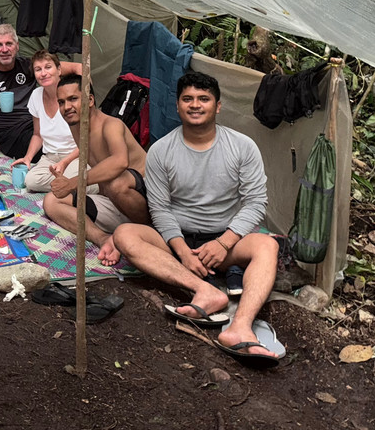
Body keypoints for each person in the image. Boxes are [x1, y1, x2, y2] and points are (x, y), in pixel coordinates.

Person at [112, 71, 284, 363]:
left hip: (226, 241)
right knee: (124, 234)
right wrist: (182, 251)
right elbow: (160, 208)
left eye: (203, 99)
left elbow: (256, 202)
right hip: (178, 240)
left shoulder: (242, 146)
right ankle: (204, 291)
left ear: (218, 106)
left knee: (267, 245)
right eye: (187, 98)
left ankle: (240, 327)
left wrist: (224, 243)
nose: (195, 105)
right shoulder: (161, 151)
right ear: (178, 105)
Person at [43, 74, 151, 265]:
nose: (66, 107)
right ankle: (104, 239)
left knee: (115, 182)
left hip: (143, 204)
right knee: (51, 201)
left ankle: (147, 233)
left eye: (73, 99)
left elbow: (119, 162)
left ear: (90, 100)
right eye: (61, 102)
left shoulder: (111, 125)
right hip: (113, 201)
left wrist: (72, 183)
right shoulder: (77, 126)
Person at [0, 24, 79, 160]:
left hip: (36, 124)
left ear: (17, 46)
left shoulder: (29, 66)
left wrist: (84, 101)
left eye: (9, 44)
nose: (5, 49)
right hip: (13, 136)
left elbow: (78, 67)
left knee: (72, 134)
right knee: (56, 146)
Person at [13, 50, 78, 192]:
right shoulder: (36, 95)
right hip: (50, 158)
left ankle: (76, 183)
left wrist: (65, 162)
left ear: (59, 70)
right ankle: (71, 184)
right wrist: (28, 158)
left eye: (48, 67)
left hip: (75, 156)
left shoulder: (72, 95)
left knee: (70, 179)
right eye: (38, 69)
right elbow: (37, 134)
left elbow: (88, 140)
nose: (43, 73)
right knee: (31, 182)